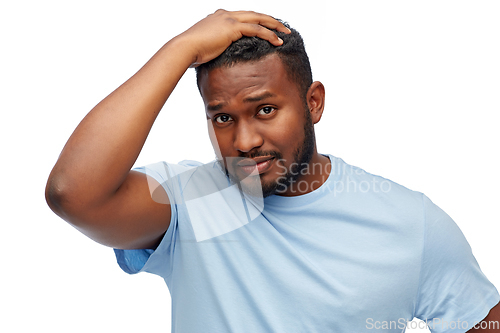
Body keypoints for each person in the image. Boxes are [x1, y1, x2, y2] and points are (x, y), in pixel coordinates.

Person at [45, 9, 499, 333]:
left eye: (264, 109)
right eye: (222, 117)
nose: (244, 141)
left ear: (313, 102)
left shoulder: (411, 223)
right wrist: (180, 49)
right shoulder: (191, 201)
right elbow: (72, 193)